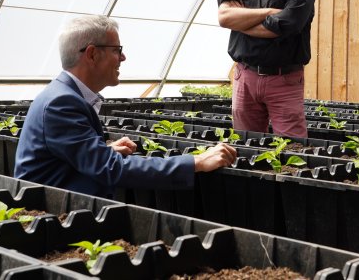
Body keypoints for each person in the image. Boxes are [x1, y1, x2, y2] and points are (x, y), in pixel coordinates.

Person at [15, 15, 237, 198]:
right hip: (52, 216)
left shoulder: (63, 95)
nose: (123, 57)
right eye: (116, 49)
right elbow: (113, 169)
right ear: (92, 54)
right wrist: (196, 161)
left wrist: (103, 151)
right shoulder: (61, 103)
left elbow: (67, 159)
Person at [216, 0, 316, 138]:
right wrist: (269, 13)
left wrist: (242, 21)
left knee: (292, 150)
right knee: (245, 147)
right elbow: (224, 17)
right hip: (245, 77)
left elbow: (286, 25)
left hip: (284, 80)